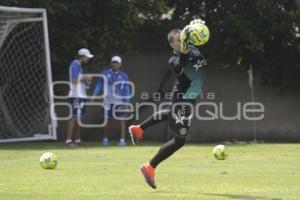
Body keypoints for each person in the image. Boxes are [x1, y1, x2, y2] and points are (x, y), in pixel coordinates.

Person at [128, 21, 208, 189]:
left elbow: (194, 44)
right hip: (183, 98)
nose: (181, 42)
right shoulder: (174, 60)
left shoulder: (193, 49)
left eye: (183, 39)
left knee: (170, 112)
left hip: (190, 97)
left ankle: (139, 128)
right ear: (172, 44)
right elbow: (184, 67)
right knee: (179, 141)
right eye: (178, 40)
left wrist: (192, 28)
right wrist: (185, 47)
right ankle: (149, 167)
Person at [93, 56, 131, 146]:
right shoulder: (105, 73)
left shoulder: (123, 75)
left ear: (120, 64)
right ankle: (105, 140)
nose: (115, 64)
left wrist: (127, 102)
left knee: (122, 121)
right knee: (106, 120)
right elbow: (99, 85)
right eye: (113, 62)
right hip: (107, 101)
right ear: (111, 63)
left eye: (117, 63)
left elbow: (127, 89)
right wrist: (94, 95)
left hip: (120, 101)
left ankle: (122, 140)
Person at [66, 48, 93, 147]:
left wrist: (86, 81)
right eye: (87, 57)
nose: (88, 59)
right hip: (75, 95)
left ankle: (77, 140)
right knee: (74, 117)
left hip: (80, 95)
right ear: (82, 56)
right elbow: (74, 80)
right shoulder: (75, 64)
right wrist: (85, 77)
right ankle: (68, 141)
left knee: (78, 118)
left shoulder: (79, 66)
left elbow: (79, 81)